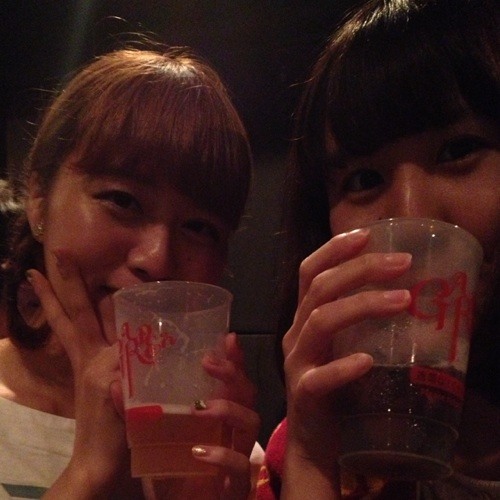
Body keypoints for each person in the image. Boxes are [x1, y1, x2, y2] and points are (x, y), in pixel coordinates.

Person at [257, 0, 500, 498]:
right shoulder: (310, 448)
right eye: (364, 179)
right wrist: (311, 459)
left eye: (458, 150)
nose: (411, 213)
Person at [0, 46, 262, 499]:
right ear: (39, 199)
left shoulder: (223, 452)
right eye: (123, 200)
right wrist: (88, 475)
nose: (157, 260)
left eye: (200, 228)